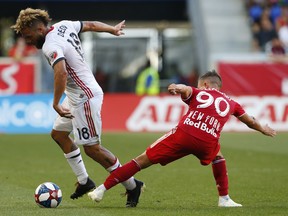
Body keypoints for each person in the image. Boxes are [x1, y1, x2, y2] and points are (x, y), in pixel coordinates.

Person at [11, 8, 144, 207]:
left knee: (92, 149)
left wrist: (56, 102)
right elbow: (89, 24)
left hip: (85, 97)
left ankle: (132, 185)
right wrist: (111, 29)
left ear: (39, 29)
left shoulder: (50, 45)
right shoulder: (64, 25)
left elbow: (61, 73)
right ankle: (84, 181)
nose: (29, 41)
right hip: (76, 94)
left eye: (29, 36)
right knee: (59, 134)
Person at [88, 70, 276, 207]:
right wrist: (263, 130)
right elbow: (250, 121)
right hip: (207, 141)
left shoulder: (200, 92)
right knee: (217, 155)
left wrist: (177, 87)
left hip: (184, 134)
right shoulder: (232, 103)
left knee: (141, 160)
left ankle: (101, 190)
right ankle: (224, 199)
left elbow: (187, 90)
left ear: (206, 85)